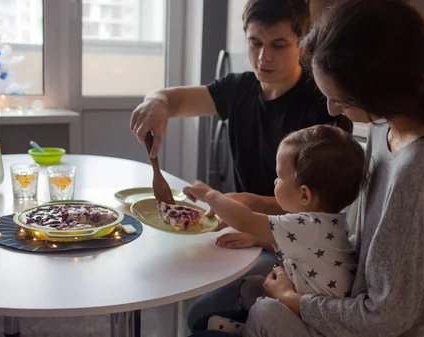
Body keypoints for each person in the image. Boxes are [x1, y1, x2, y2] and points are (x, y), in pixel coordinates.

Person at [189, 0, 424, 336]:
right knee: (215, 310)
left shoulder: (421, 167)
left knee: (219, 320)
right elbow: (365, 250)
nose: (331, 107)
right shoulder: (383, 127)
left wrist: (292, 299)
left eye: (340, 99)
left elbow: (385, 318)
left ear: (379, 90)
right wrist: (287, 250)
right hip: (350, 314)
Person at [129, 0, 352, 328]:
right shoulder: (240, 88)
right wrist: (157, 102)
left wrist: (252, 216)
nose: (264, 58)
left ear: (301, 43)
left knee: (200, 315)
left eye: (278, 45)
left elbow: (321, 210)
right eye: (255, 43)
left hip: (296, 252)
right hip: (241, 227)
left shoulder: (323, 108)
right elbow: (172, 98)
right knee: (167, 270)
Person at [182, 125, 366, 334]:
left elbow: (245, 219)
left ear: (304, 195)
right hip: (310, 316)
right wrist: (258, 239)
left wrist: (209, 194)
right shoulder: (332, 223)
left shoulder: (307, 225)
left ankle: (246, 331)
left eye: (279, 177)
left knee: (266, 310)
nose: (275, 181)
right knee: (253, 286)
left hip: (312, 329)